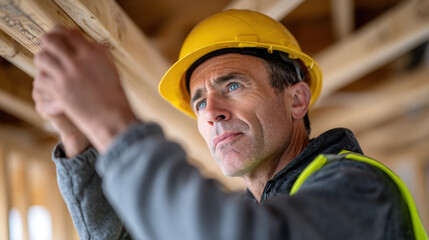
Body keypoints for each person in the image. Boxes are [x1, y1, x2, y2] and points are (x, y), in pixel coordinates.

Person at [32, 9, 427, 240]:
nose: (211, 112)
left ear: (296, 99)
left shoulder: (359, 189)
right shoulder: (255, 207)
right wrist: (77, 136)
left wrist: (114, 123)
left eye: (233, 85)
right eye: (200, 101)